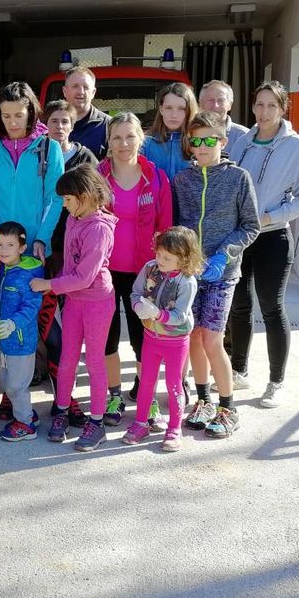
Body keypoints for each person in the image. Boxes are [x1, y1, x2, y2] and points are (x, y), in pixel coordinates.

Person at [227, 80, 299, 408]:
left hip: (273, 237)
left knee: (271, 307)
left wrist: (269, 217)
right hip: (241, 237)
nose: (264, 112)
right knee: (239, 306)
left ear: (282, 109)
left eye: (271, 106)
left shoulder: (297, 147)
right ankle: (238, 370)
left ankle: (276, 382)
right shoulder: (242, 142)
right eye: (259, 105)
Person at [174, 112, 260, 439]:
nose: (202, 146)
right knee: (194, 336)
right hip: (190, 274)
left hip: (222, 274)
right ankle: (203, 401)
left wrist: (225, 253)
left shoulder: (238, 178)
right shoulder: (182, 180)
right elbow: (177, 225)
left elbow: (250, 226)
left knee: (212, 338)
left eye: (210, 139)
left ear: (222, 141)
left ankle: (228, 408)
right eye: (196, 140)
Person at [32, 165, 116, 452]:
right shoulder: (73, 218)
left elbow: (84, 276)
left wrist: (49, 285)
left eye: (68, 199)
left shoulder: (99, 229)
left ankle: (97, 422)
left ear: (86, 196)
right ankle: (61, 409)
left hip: (96, 303)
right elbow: (71, 264)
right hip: (74, 300)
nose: (65, 205)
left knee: (94, 361)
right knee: (67, 358)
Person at [98, 112, 173, 425]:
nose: (123, 143)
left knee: (145, 339)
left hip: (145, 274)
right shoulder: (97, 176)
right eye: (117, 137)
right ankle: (114, 397)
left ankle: (147, 398)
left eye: (130, 136)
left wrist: (165, 271)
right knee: (108, 337)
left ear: (141, 139)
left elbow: (166, 227)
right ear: (109, 141)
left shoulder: (156, 177)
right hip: (104, 271)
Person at [122, 227, 202, 452]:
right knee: (146, 380)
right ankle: (141, 423)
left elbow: (180, 316)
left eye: (167, 258)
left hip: (176, 341)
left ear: (184, 258)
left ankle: (174, 429)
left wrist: (157, 314)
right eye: (158, 254)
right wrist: (137, 306)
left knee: (174, 384)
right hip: (151, 337)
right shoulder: (150, 268)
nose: (160, 260)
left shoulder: (187, 282)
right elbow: (135, 292)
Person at [0, 82, 64, 263]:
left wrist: (42, 238)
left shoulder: (50, 148)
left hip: (32, 245)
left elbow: (54, 199)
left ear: (30, 113)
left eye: (19, 115)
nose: (12, 123)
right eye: (6, 116)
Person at [0, 221, 45, 442]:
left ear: (22, 248)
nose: (3, 250)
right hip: (4, 340)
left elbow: (32, 306)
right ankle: (27, 412)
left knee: (16, 386)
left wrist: (13, 324)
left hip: (21, 342)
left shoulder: (28, 274)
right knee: (8, 383)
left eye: (10, 245)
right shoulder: (3, 269)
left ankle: (25, 425)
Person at [43, 99, 98, 269]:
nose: (59, 126)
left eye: (65, 121)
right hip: (42, 233)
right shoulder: (36, 155)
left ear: (72, 126)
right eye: (54, 121)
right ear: (45, 125)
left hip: (75, 235)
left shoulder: (85, 157)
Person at [141, 82, 199, 181]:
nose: (174, 115)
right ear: (161, 110)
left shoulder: (199, 142)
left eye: (181, 109)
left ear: (190, 111)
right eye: (168, 108)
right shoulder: (145, 143)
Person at [62, 67, 108, 158]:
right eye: (75, 86)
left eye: (86, 87)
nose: (81, 92)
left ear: (93, 93)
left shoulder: (107, 125)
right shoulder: (50, 124)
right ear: (65, 91)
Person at [198, 79, 248, 150]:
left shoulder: (244, 137)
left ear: (230, 105)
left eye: (221, 100)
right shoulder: (191, 135)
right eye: (210, 100)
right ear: (201, 104)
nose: (215, 106)